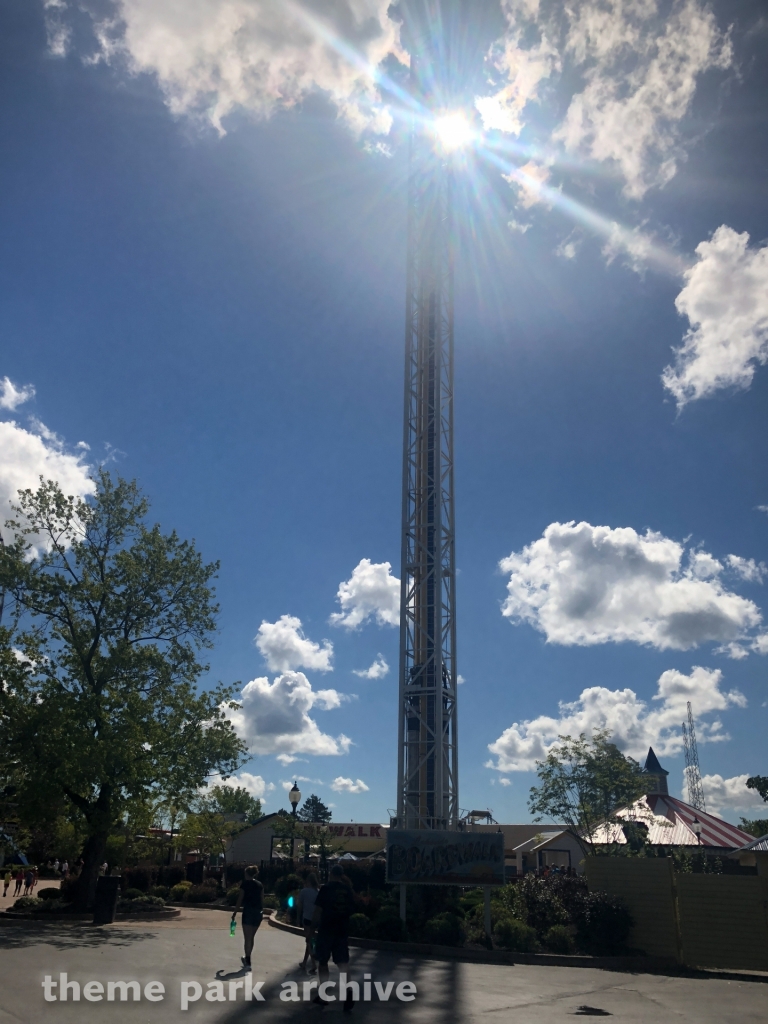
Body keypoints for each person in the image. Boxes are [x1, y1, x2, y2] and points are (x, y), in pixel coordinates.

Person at [312, 865, 357, 1012]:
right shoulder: (347, 890)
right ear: (342, 875)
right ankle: (349, 990)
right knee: (342, 962)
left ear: (331, 874)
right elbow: (352, 908)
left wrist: (312, 928)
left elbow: (318, 910)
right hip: (342, 929)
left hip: (326, 929)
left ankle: (324, 995)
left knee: (323, 961)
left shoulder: (326, 889)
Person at [231, 866, 263, 971]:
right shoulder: (260, 885)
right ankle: (248, 956)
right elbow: (262, 899)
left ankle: (248, 960)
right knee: (252, 937)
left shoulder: (245, 884)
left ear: (246, 874)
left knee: (247, 938)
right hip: (258, 912)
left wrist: (235, 912)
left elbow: (240, 899)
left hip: (248, 911)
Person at [297, 872, 319, 974]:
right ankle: (305, 962)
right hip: (315, 919)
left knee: (308, 941)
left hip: (306, 918)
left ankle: (314, 964)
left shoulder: (304, 891)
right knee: (309, 939)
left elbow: (300, 906)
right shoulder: (317, 892)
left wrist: (298, 917)